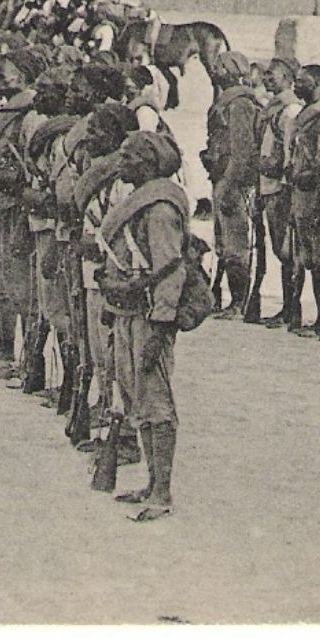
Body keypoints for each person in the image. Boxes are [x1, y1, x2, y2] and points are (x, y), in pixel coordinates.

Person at [92, 131, 188, 522]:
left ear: (148, 164)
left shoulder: (160, 209)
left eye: (129, 158)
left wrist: (162, 325)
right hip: (130, 313)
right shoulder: (142, 201)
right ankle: (151, 482)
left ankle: (162, 491)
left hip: (151, 317)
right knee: (136, 397)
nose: (122, 164)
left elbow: (171, 271)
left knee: (157, 402)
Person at [201, 51, 260, 317]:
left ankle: (239, 303)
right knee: (223, 242)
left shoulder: (239, 104)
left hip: (231, 181)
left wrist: (231, 185)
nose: (215, 70)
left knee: (235, 244)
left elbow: (242, 150)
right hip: (221, 176)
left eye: (221, 67)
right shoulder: (228, 101)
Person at [286, 64, 320, 338]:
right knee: (306, 257)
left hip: (314, 196)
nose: (297, 86)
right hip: (300, 195)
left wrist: (307, 175)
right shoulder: (305, 114)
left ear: (317, 84)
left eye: (303, 81)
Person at [257, 57, 302, 328]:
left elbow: (290, 154)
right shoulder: (275, 108)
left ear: (287, 76)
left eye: (272, 75)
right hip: (270, 186)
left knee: (288, 252)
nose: (266, 79)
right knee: (280, 251)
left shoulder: (290, 110)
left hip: (281, 188)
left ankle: (291, 309)